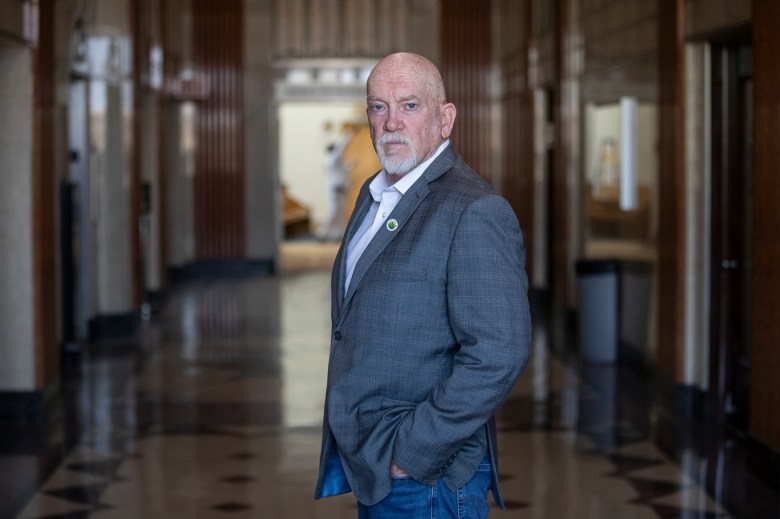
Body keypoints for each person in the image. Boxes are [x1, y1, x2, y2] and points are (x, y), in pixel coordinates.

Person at [314, 52, 532, 518]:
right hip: (373, 465)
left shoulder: (474, 209)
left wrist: (410, 454)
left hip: (428, 480)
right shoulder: (374, 196)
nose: (391, 121)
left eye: (409, 106)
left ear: (444, 118)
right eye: (378, 106)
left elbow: (499, 353)